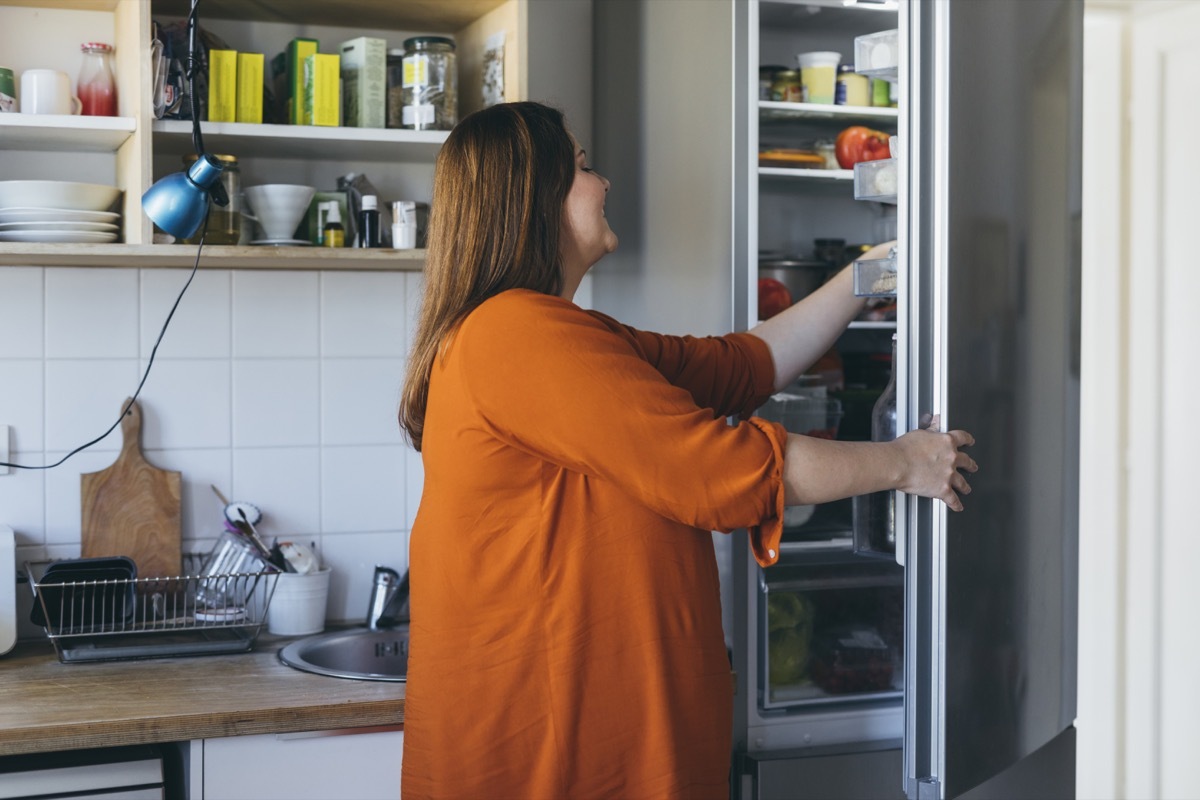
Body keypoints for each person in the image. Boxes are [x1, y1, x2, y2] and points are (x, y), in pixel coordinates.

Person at [397, 101, 976, 799]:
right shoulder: (513, 335)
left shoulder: (555, 332)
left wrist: (870, 273)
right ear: (531, 197)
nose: (603, 182)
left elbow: (742, 366)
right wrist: (904, 463)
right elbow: (723, 472)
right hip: (554, 764)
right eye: (582, 168)